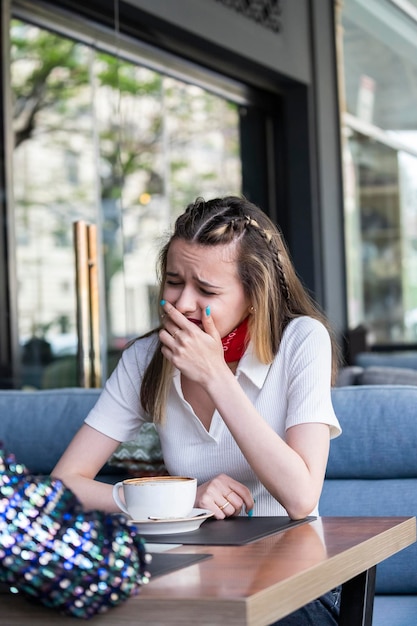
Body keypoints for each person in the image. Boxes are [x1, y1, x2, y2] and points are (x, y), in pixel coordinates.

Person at [52, 195, 342, 625]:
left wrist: (216, 377)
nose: (183, 303)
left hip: (291, 584)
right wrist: (179, 501)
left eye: (206, 290)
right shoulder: (145, 356)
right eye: (173, 281)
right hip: (187, 579)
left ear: (254, 295)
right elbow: (64, 484)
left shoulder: (301, 340)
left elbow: (301, 498)